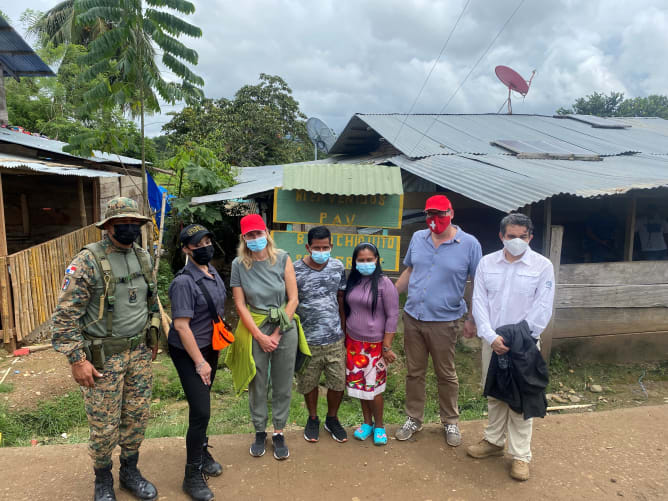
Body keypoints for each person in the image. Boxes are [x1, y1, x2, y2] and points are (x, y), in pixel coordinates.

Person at [51, 197, 160, 501]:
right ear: (109, 226)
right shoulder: (87, 261)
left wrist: (152, 336)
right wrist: (77, 360)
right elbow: (64, 317)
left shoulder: (143, 257)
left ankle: (130, 472)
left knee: (136, 416)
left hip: (138, 354)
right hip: (102, 359)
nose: (130, 228)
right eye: (123, 223)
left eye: (135, 223)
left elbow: (151, 301)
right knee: (103, 425)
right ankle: (102, 479)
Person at [467, 213, 555, 481]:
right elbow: (479, 301)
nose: (516, 241)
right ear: (501, 236)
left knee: (521, 398)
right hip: (492, 341)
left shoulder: (542, 266)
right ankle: (493, 442)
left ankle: (520, 455)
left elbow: (543, 306)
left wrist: (519, 338)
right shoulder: (486, 263)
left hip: (524, 343)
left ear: (530, 237)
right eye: (511, 236)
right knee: (494, 393)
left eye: (522, 236)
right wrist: (490, 336)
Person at [394, 194, 481, 446]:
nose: (435, 220)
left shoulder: (469, 244)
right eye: (430, 215)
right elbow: (410, 270)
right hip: (413, 317)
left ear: (451, 213)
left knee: (446, 373)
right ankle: (414, 418)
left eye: (440, 214)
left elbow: (478, 283)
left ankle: (450, 421)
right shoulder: (418, 238)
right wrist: (389, 295)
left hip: (445, 321)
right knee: (415, 372)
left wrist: (472, 318)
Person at [225, 214, 309, 460]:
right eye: (249, 235)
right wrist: (260, 336)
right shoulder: (238, 265)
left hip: (284, 325)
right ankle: (259, 430)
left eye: (258, 233)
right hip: (254, 326)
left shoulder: (282, 258)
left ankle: (279, 431)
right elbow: (239, 304)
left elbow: (293, 299)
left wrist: (276, 333)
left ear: (267, 233)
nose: (255, 238)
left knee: (283, 383)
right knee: (257, 383)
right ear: (244, 238)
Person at [168, 224, 228, 501]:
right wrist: (200, 363)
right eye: (197, 243)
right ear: (185, 249)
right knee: (202, 410)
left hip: (209, 347)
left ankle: (201, 451)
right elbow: (181, 326)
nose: (205, 246)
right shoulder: (183, 282)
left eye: (207, 240)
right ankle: (192, 476)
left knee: (201, 407)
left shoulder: (212, 271)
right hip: (189, 352)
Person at [294, 226, 349, 443]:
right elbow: (291, 301)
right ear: (308, 247)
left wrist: (343, 330)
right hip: (307, 341)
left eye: (325, 247)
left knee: (338, 383)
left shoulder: (337, 266)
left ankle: (332, 419)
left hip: (335, 338)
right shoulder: (295, 269)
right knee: (309, 383)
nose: (321, 251)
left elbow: (341, 299)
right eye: (316, 247)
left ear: (331, 246)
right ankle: (313, 418)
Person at [344, 243, 399, 446]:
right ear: (355, 261)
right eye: (361, 260)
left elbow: (393, 315)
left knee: (374, 388)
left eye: (369, 260)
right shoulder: (353, 281)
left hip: (375, 346)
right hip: (353, 344)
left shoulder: (385, 284)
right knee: (360, 386)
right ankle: (367, 423)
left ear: (377, 260)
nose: (366, 263)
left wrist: (387, 346)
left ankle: (380, 426)